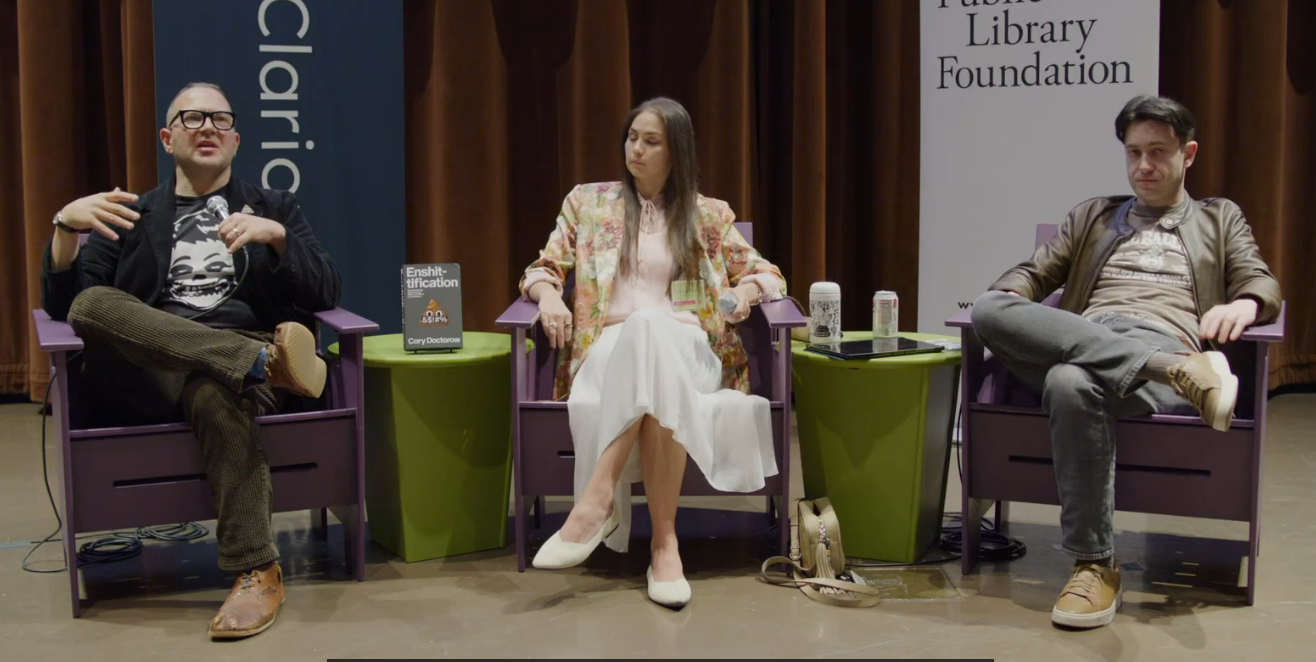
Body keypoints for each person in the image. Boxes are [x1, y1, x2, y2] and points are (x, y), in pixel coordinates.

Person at [41, 82, 341, 639]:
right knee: (92, 302)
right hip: (147, 366)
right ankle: (254, 359)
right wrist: (66, 225)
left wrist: (277, 239)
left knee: (213, 387)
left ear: (236, 138)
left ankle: (257, 567)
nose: (207, 128)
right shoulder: (130, 213)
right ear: (167, 136)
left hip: (226, 370)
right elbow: (66, 309)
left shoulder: (274, 207)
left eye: (220, 120)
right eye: (192, 118)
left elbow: (326, 290)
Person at [970, 95, 1281, 629]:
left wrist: (1243, 303)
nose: (1144, 166)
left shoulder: (1219, 217)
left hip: (1162, 339)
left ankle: (1094, 564)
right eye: (1134, 153)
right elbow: (1033, 273)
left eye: (1158, 152)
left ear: (1189, 154)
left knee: (1070, 382)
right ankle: (1176, 371)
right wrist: (1016, 299)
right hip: (1092, 337)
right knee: (987, 308)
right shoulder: (1093, 215)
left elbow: (1261, 280)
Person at [520, 97, 788, 609]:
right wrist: (549, 294)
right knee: (643, 329)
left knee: (654, 328)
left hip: (690, 350)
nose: (635, 149)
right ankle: (665, 545)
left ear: (676, 152)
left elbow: (768, 274)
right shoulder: (588, 204)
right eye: (631, 137)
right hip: (609, 352)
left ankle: (595, 502)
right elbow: (542, 266)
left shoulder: (707, 216)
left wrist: (744, 295)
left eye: (651, 141)